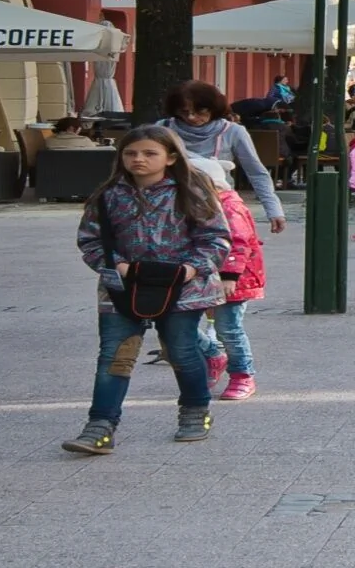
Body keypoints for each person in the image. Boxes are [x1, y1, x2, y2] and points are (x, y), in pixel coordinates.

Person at [64, 126, 231, 453]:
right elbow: (90, 241)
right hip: (122, 289)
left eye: (149, 153)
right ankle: (100, 425)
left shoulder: (192, 190)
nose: (138, 159)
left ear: (170, 157)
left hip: (185, 288)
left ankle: (195, 409)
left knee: (181, 350)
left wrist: (190, 269)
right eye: (130, 153)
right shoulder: (109, 195)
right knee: (115, 355)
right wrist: (116, 266)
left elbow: (216, 239)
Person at [159, 81, 287, 233]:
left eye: (200, 111)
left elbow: (256, 172)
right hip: (170, 204)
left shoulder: (233, 131)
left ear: (214, 109)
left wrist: (273, 209)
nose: (191, 117)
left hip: (220, 205)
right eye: (184, 112)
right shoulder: (163, 129)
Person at [208, 177, 266, 400]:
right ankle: (213, 355)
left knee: (228, 328)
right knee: (181, 326)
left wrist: (230, 276)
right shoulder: (198, 204)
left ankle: (242, 375)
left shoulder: (230, 207)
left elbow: (239, 243)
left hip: (234, 279)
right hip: (202, 275)